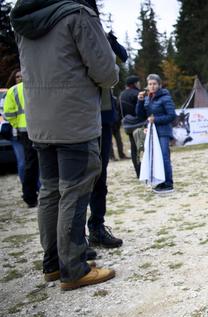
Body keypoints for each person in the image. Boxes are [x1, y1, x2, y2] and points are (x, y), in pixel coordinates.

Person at [10, 0, 117, 290]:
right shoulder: (76, 14)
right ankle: (74, 267)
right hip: (73, 118)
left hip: (39, 122)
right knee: (74, 189)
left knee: (50, 191)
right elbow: (106, 72)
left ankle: (54, 263)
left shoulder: (23, 17)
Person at [87, 26, 128, 249]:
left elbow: (123, 56)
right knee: (76, 179)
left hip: (102, 113)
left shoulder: (99, 34)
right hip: (79, 112)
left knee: (99, 176)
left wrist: (109, 39)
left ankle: (96, 227)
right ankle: (71, 238)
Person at [3, 70, 39, 206]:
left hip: (24, 131)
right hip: (42, 129)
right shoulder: (37, 86)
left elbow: (8, 113)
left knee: (30, 163)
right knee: (46, 161)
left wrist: (17, 125)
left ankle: (30, 196)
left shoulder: (13, 91)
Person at [136, 74, 177, 194]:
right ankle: (160, 182)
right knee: (156, 159)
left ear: (159, 85)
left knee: (164, 157)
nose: (152, 86)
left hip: (163, 131)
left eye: (154, 84)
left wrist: (156, 120)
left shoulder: (165, 97)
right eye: (150, 84)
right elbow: (141, 115)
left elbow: (172, 115)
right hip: (152, 133)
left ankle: (168, 184)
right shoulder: (148, 97)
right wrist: (139, 101)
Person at [120, 75, 142, 176]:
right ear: (134, 83)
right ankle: (146, 171)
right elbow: (141, 110)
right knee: (144, 147)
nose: (139, 84)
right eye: (138, 82)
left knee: (134, 149)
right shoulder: (137, 94)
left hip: (128, 125)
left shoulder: (121, 95)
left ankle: (138, 172)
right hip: (139, 124)